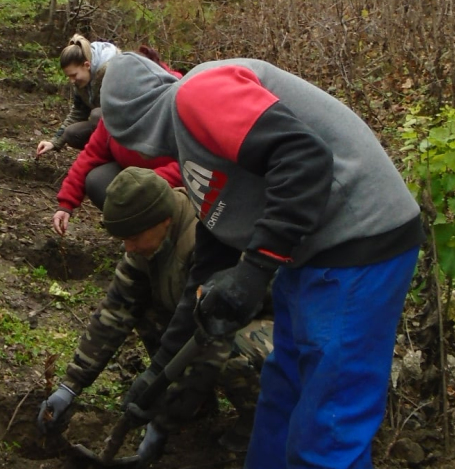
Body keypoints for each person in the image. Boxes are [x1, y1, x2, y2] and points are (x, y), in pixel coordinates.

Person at [99, 53, 424, 469]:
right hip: (306, 250)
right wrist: (159, 375)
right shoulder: (187, 146)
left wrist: (253, 270)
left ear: (129, 123)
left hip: (360, 238)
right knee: (281, 402)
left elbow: (304, 155)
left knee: (328, 424)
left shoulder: (200, 94)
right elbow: (210, 262)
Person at [37, 168, 273, 446]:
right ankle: (198, 408)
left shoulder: (209, 241)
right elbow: (115, 311)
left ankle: (260, 422)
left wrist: (165, 414)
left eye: (134, 238)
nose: (129, 248)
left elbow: (207, 333)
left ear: (164, 220)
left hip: (264, 326)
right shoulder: (147, 246)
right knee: (146, 312)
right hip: (200, 321)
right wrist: (70, 386)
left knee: (226, 349)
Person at [36, 36, 181, 156]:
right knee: (72, 133)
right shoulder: (81, 83)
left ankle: (125, 156)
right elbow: (77, 113)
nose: (72, 81)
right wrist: (54, 142)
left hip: (133, 126)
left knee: (96, 115)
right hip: (107, 128)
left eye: (74, 75)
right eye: (69, 76)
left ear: (87, 65)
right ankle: (105, 155)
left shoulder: (113, 71)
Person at [50, 118, 181, 236]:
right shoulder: (113, 116)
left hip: (175, 188)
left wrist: (145, 184)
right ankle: (133, 233)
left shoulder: (173, 114)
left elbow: (189, 164)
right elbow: (90, 155)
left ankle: (163, 236)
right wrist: (66, 203)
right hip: (137, 178)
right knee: (97, 179)